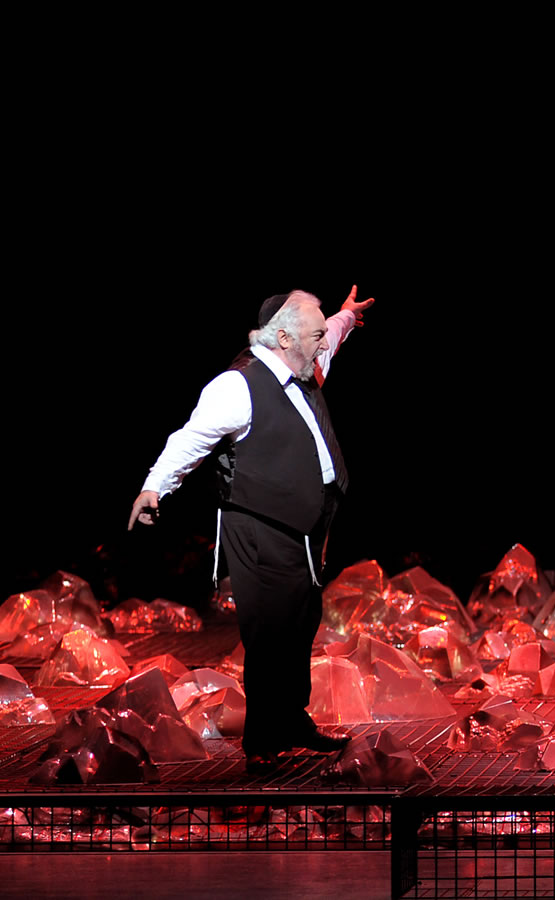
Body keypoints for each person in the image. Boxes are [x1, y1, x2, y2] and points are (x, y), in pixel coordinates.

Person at [129, 286, 375, 774]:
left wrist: (345, 316)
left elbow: (331, 337)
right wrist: (154, 487)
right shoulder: (237, 386)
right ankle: (262, 741)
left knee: (300, 622)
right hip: (260, 525)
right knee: (269, 631)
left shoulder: (305, 363)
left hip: (304, 527)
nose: (322, 343)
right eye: (314, 335)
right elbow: (191, 440)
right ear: (283, 338)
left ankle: (291, 720)